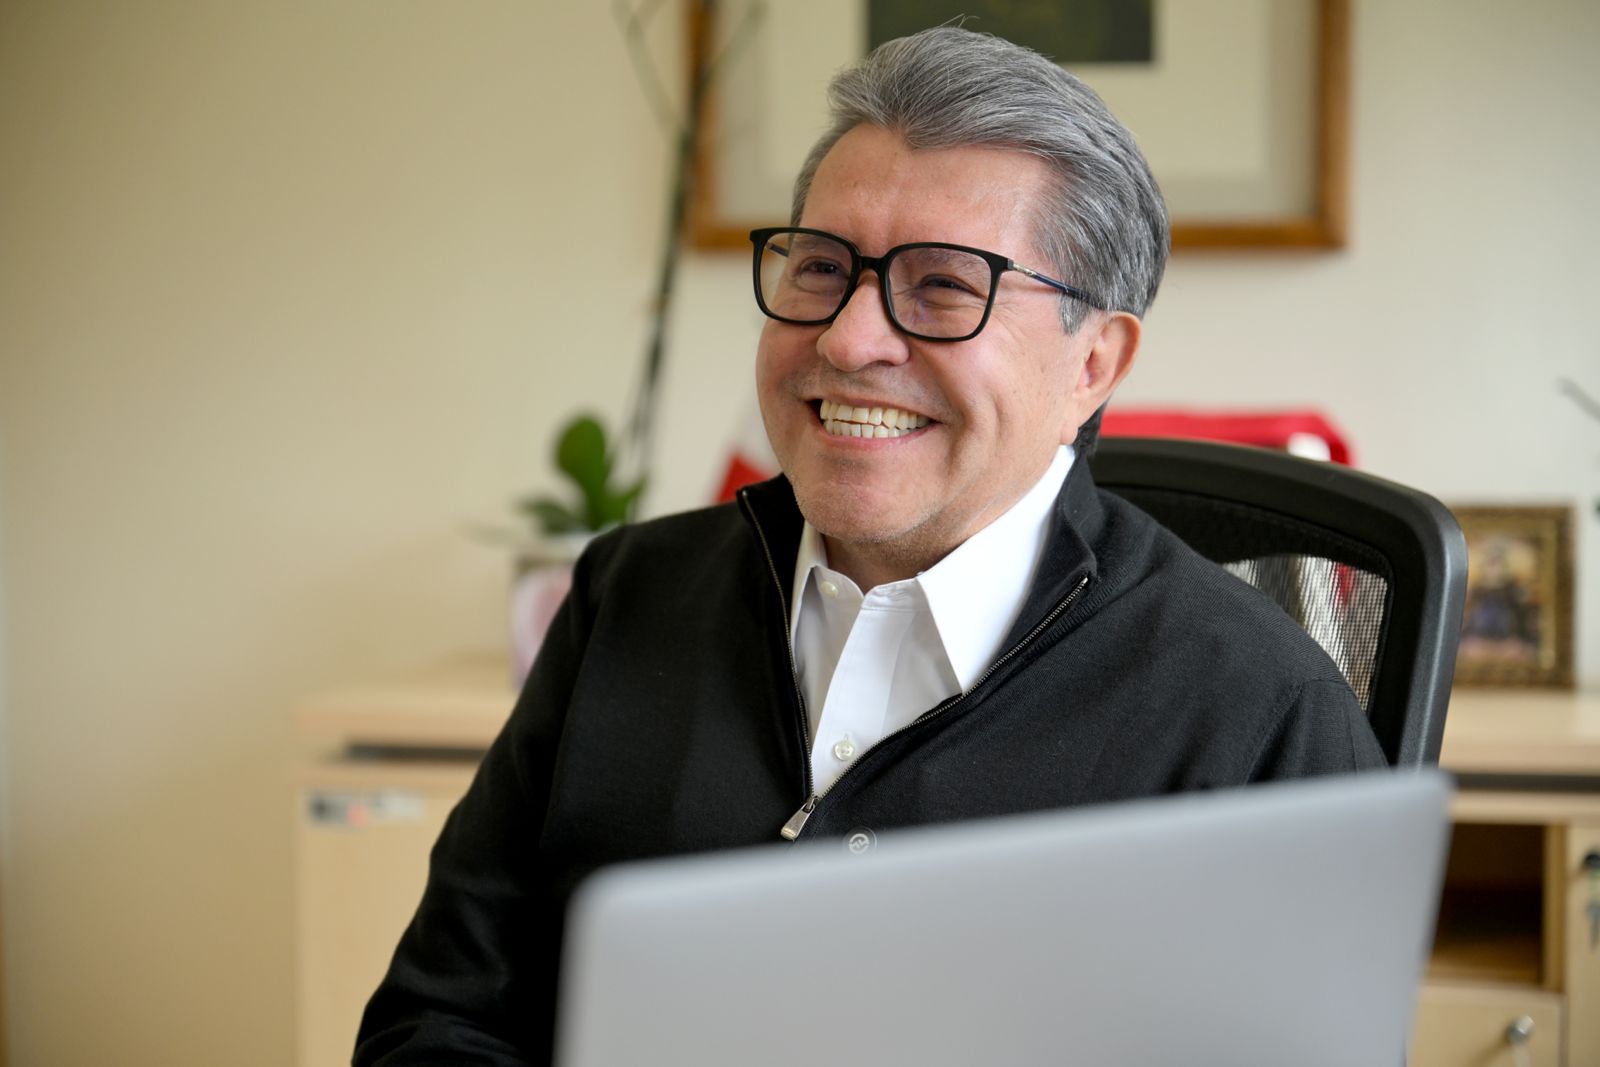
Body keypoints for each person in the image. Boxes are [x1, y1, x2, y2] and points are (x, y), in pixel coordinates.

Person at [354, 26, 1384, 1066]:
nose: (848, 338)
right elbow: (437, 1018)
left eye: (944, 286)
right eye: (821, 267)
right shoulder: (628, 594)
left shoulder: (1260, 711)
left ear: (1093, 365)